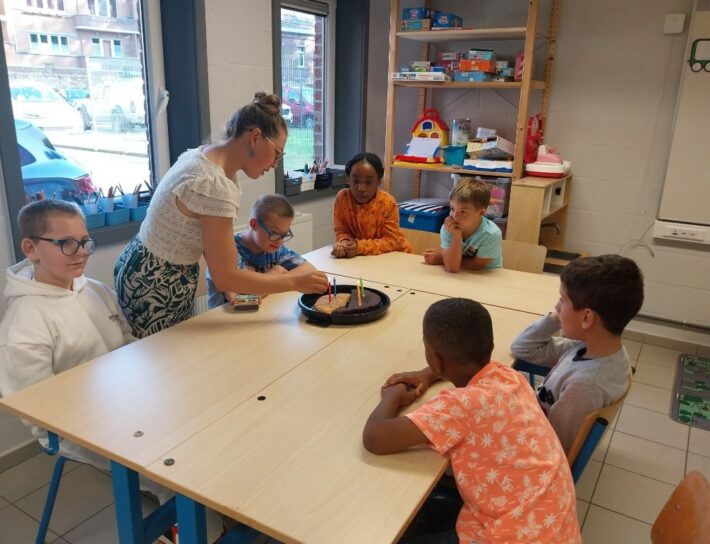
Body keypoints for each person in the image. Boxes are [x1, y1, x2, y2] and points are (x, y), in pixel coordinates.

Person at [0, 201, 176, 506]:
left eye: (84, 242)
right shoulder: (23, 325)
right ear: (31, 248)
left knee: (192, 424)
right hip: (75, 426)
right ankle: (189, 519)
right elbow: (37, 410)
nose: (81, 252)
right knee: (170, 467)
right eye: (66, 243)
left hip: (126, 398)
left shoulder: (94, 290)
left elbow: (127, 342)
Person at [363, 298, 580, 544]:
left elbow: (375, 438)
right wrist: (427, 373)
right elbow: (457, 370)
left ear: (437, 361)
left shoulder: (460, 407)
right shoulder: (509, 376)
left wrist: (391, 397)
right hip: (553, 526)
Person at [114, 92, 329, 338]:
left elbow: (212, 247)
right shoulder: (214, 184)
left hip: (139, 263)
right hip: (156, 283)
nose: (275, 164)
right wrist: (294, 282)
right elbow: (226, 277)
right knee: (165, 357)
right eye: (277, 153)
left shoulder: (204, 157)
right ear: (255, 137)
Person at [510, 254, 644, 452]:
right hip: (535, 421)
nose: (556, 307)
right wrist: (555, 318)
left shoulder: (585, 386)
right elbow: (522, 348)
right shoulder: (594, 349)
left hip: (536, 445)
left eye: (562, 301)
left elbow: (552, 449)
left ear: (587, 318)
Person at [205, 194, 316, 308]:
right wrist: (276, 273)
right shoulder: (229, 250)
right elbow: (239, 299)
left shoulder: (274, 248)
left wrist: (269, 284)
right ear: (254, 224)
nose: (280, 241)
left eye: (284, 234)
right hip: (224, 316)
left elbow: (310, 271)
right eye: (274, 233)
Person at [331, 152, 411, 258]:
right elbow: (342, 231)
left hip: (394, 256)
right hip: (362, 259)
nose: (361, 188)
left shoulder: (388, 202)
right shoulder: (342, 198)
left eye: (368, 182)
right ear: (348, 179)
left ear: (378, 181)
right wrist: (344, 243)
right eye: (355, 181)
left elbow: (391, 241)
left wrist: (360, 247)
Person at [423, 177, 502, 272]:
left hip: (486, 274)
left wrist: (442, 259)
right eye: (452, 209)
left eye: (463, 211)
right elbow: (452, 268)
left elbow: (476, 265)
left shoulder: (491, 233)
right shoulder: (449, 228)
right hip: (461, 274)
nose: (454, 216)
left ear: (481, 213)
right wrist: (456, 235)